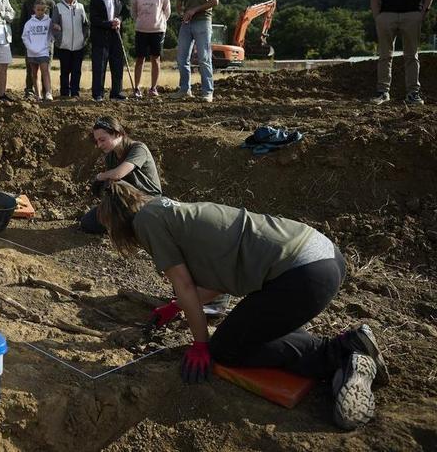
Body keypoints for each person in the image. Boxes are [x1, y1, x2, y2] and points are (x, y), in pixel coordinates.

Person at [97, 181, 389, 430]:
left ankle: (340, 352)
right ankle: (351, 351)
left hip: (302, 274)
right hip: (321, 259)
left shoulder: (146, 221)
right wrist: (176, 307)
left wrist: (200, 344)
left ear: (118, 218)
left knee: (225, 348)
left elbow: (184, 285)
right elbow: (219, 281)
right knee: (246, 329)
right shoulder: (170, 212)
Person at [370, 0, 434, 106]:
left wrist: (423, 12)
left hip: (412, 15)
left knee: (412, 55)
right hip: (387, 15)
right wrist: (377, 16)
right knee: (385, 55)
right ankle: (383, 92)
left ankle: (413, 93)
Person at [80, 116, 161, 234]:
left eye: (102, 140)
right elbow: (113, 184)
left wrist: (100, 177)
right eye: (97, 141)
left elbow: (118, 174)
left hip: (148, 201)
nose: (99, 145)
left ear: (117, 134)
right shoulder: (110, 156)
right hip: (126, 202)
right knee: (88, 222)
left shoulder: (138, 148)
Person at [169, 0, 219, 103]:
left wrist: (194, 10)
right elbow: (178, 4)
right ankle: (185, 90)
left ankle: (207, 92)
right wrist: (182, 13)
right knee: (182, 58)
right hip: (186, 24)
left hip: (203, 21)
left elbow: (215, 1)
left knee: (204, 58)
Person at [89, 0, 130, 102]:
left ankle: (116, 92)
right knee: (99, 66)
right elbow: (94, 19)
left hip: (116, 36)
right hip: (100, 37)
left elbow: (125, 12)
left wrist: (119, 19)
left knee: (117, 65)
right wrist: (109, 24)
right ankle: (98, 94)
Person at [130, 0, 171, 97]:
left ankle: (153, 88)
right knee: (140, 59)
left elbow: (167, 11)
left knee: (155, 59)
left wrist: (160, 23)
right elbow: (133, 12)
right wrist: (140, 21)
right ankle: (136, 89)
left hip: (157, 31)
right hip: (141, 30)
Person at [51, 0, 89, 98]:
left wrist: (84, 39)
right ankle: (64, 94)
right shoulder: (58, 7)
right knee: (65, 72)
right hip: (64, 46)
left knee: (77, 71)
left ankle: (75, 93)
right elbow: (53, 25)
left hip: (79, 45)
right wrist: (59, 39)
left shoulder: (81, 7)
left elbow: (86, 25)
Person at [20, 0, 56, 100]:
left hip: (46, 45)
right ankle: (30, 92)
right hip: (31, 43)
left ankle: (47, 92)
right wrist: (26, 43)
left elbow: (53, 24)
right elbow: (23, 23)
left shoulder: (51, 3)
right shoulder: (27, 3)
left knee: (46, 69)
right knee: (31, 70)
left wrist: (51, 41)